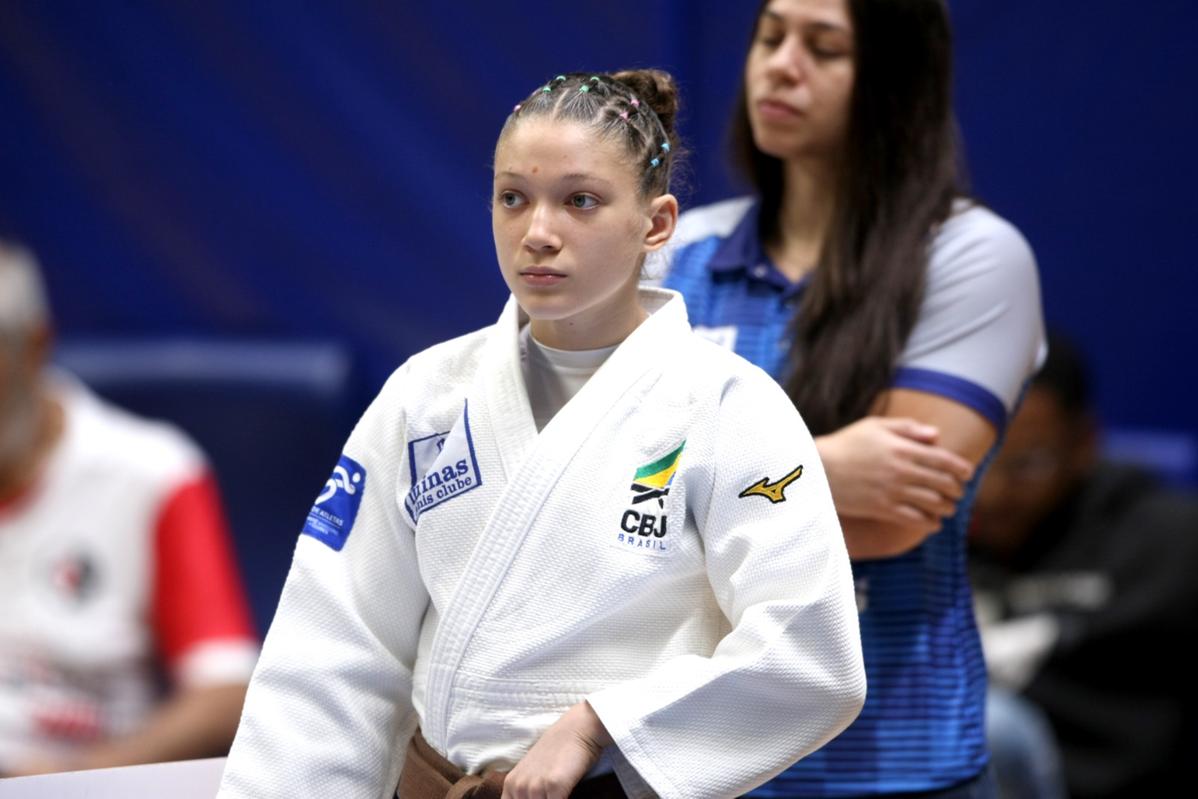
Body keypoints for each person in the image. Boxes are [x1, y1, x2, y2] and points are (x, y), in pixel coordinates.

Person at [218, 69, 867, 799]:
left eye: (580, 201)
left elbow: (811, 652)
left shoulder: (729, 406)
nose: (538, 233)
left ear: (656, 224)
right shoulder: (426, 397)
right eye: (512, 198)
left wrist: (603, 723)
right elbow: (335, 639)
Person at [660, 0, 1045, 795]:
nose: (781, 64)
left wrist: (671, 487)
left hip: (894, 753)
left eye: (824, 47)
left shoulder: (973, 256)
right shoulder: (674, 256)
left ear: (896, 79)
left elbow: (892, 517)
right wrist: (827, 464)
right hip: (692, 745)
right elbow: (581, 493)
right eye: (770, 36)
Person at [0, 242, 259, 776]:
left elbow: (226, 691)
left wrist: (88, 776)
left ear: (34, 347)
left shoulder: (154, 472)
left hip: (86, 773)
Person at [970, 334, 1198, 798]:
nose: (993, 493)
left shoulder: (1172, 542)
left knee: (995, 728)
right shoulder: (906, 534)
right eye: (974, 462)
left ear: (1083, 444)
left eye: (1027, 464)